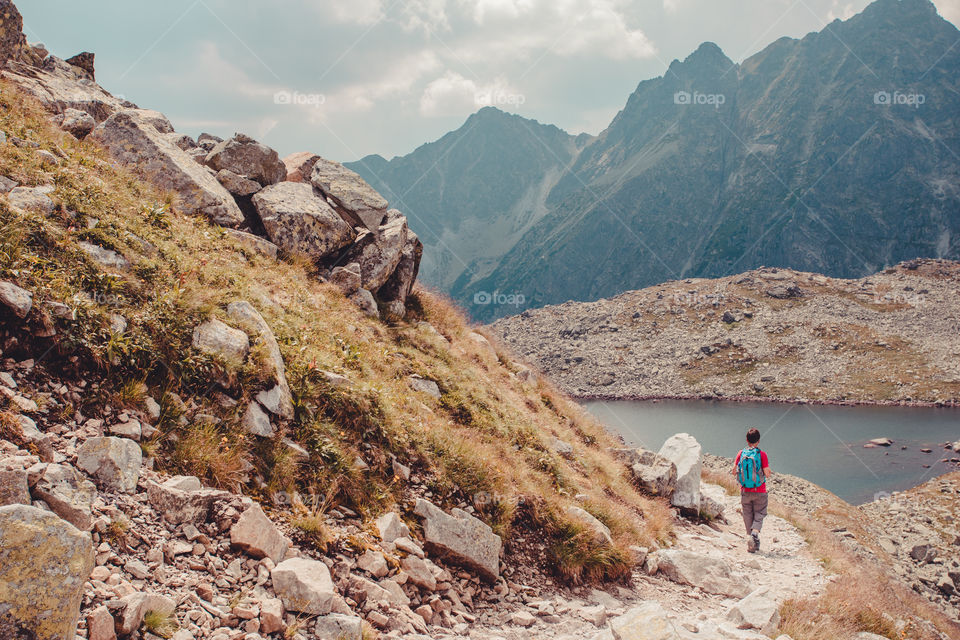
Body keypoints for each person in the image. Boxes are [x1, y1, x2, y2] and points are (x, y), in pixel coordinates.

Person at [732, 428, 771, 553]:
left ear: (746, 440)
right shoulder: (762, 454)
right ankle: (755, 533)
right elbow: (767, 473)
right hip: (760, 490)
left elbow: (734, 471)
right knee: (760, 513)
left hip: (745, 490)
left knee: (747, 514)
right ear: (758, 441)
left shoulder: (741, 453)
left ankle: (751, 539)